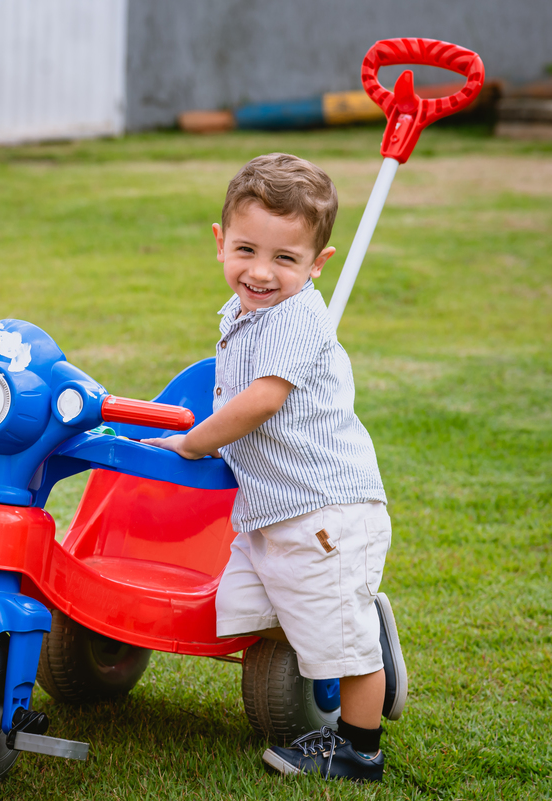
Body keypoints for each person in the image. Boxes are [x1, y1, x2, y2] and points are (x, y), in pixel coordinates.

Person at [144, 153, 407, 783]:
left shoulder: (296, 318)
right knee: (247, 610)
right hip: (271, 510)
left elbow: (262, 400)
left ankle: (358, 748)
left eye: (285, 259)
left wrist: (192, 443)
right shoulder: (246, 312)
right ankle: (357, 613)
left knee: (340, 647)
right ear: (220, 242)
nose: (260, 272)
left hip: (322, 513)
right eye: (246, 250)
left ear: (318, 265)